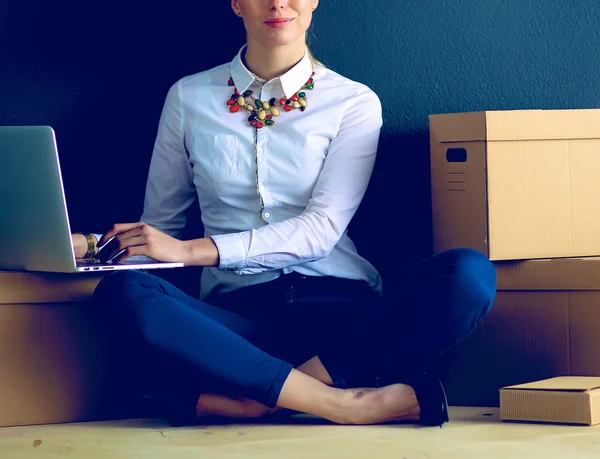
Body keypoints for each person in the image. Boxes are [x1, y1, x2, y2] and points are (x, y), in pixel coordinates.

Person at [74, 0, 496, 426]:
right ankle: (341, 404)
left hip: (344, 325)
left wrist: (191, 249)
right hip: (237, 330)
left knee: (469, 274)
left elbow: (320, 231)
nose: (277, 2)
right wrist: (86, 247)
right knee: (122, 293)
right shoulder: (188, 96)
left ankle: (259, 403)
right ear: (237, 3)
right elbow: (158, 235)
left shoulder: (352, 101)